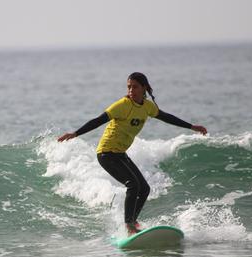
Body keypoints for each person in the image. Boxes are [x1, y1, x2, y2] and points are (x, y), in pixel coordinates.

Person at [58, 72, 207, 236]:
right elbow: (98, 120)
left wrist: (192, 127)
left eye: (135, 87)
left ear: (144, 88)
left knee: (144, 189)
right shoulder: (122, 105)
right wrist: (75, 133)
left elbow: (166, 117)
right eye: (129, 87)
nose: (131, 90)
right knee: (133, 184)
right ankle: (129, 226)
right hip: (106, 153)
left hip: (120, 153)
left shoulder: (148, 106)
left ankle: (132, 222)